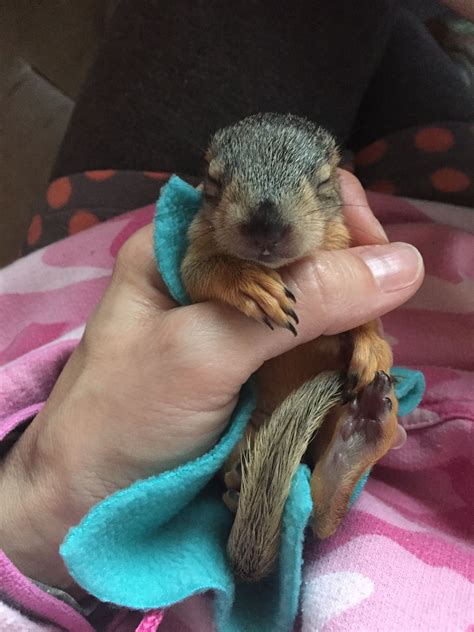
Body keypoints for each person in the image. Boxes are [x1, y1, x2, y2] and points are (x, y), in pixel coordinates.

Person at [0, 1, 472, 630]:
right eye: (220, 193)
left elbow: (352, 324)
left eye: (319, 191)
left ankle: (424, 41)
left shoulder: (331, 237)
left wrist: (36, 497)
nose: (268, 236)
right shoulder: (235, 244)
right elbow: (199, 269)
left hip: (82, 249)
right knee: (396, 57)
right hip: (433, 212)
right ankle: (433, 48)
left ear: (329, 188)